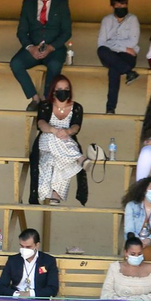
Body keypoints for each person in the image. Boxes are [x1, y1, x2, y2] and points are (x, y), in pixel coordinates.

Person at [11, 0, 71, 105]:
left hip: (54, 49)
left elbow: (67, 32)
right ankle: (34, 98)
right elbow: (21, 31)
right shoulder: (28, 3)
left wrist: (51, 47)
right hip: (33, 47)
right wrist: (30, 48)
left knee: (55, 65)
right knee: (16, 63)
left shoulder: (62, 3)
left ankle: (45, 99)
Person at [29, 74, 86, 206]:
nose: (63, 91)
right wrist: (54, 130)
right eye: (59, 89)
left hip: (65, 145)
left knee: (55, 159)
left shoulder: (77, 107)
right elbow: (41, 123)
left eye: (66, 89)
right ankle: (80, 158)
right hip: (46, 143)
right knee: (52, 137)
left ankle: (56, 193)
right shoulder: (45, 105)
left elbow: (76, 126)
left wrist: (67, 132)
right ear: (53, 90)